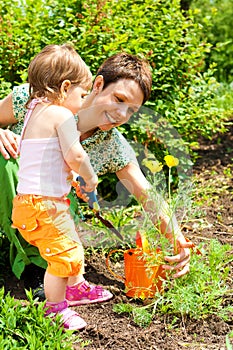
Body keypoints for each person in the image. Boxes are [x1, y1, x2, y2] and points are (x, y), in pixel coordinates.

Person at [0, 51, 192, 290]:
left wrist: (178, 240)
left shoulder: (111, 144)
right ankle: (37, 262)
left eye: (131, 110)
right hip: (15, 192)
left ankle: (45, 266)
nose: (122, 115)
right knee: (5, 157)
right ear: (98, 84)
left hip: (51, 212)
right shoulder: (37, 98)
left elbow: (147, 194)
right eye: (119, 100)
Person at [10, 43, 113, 331]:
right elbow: (76, 154)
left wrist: (71, 179)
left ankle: (76, 287)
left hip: (33, 203)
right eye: (82, 94)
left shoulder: (33, 111)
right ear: (65, 87)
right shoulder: (61, 114)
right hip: (43, 205)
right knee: (64, 255)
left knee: (70, 245)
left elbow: (51, 159)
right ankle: (55, 308)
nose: (83, 102)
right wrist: (90, 178)